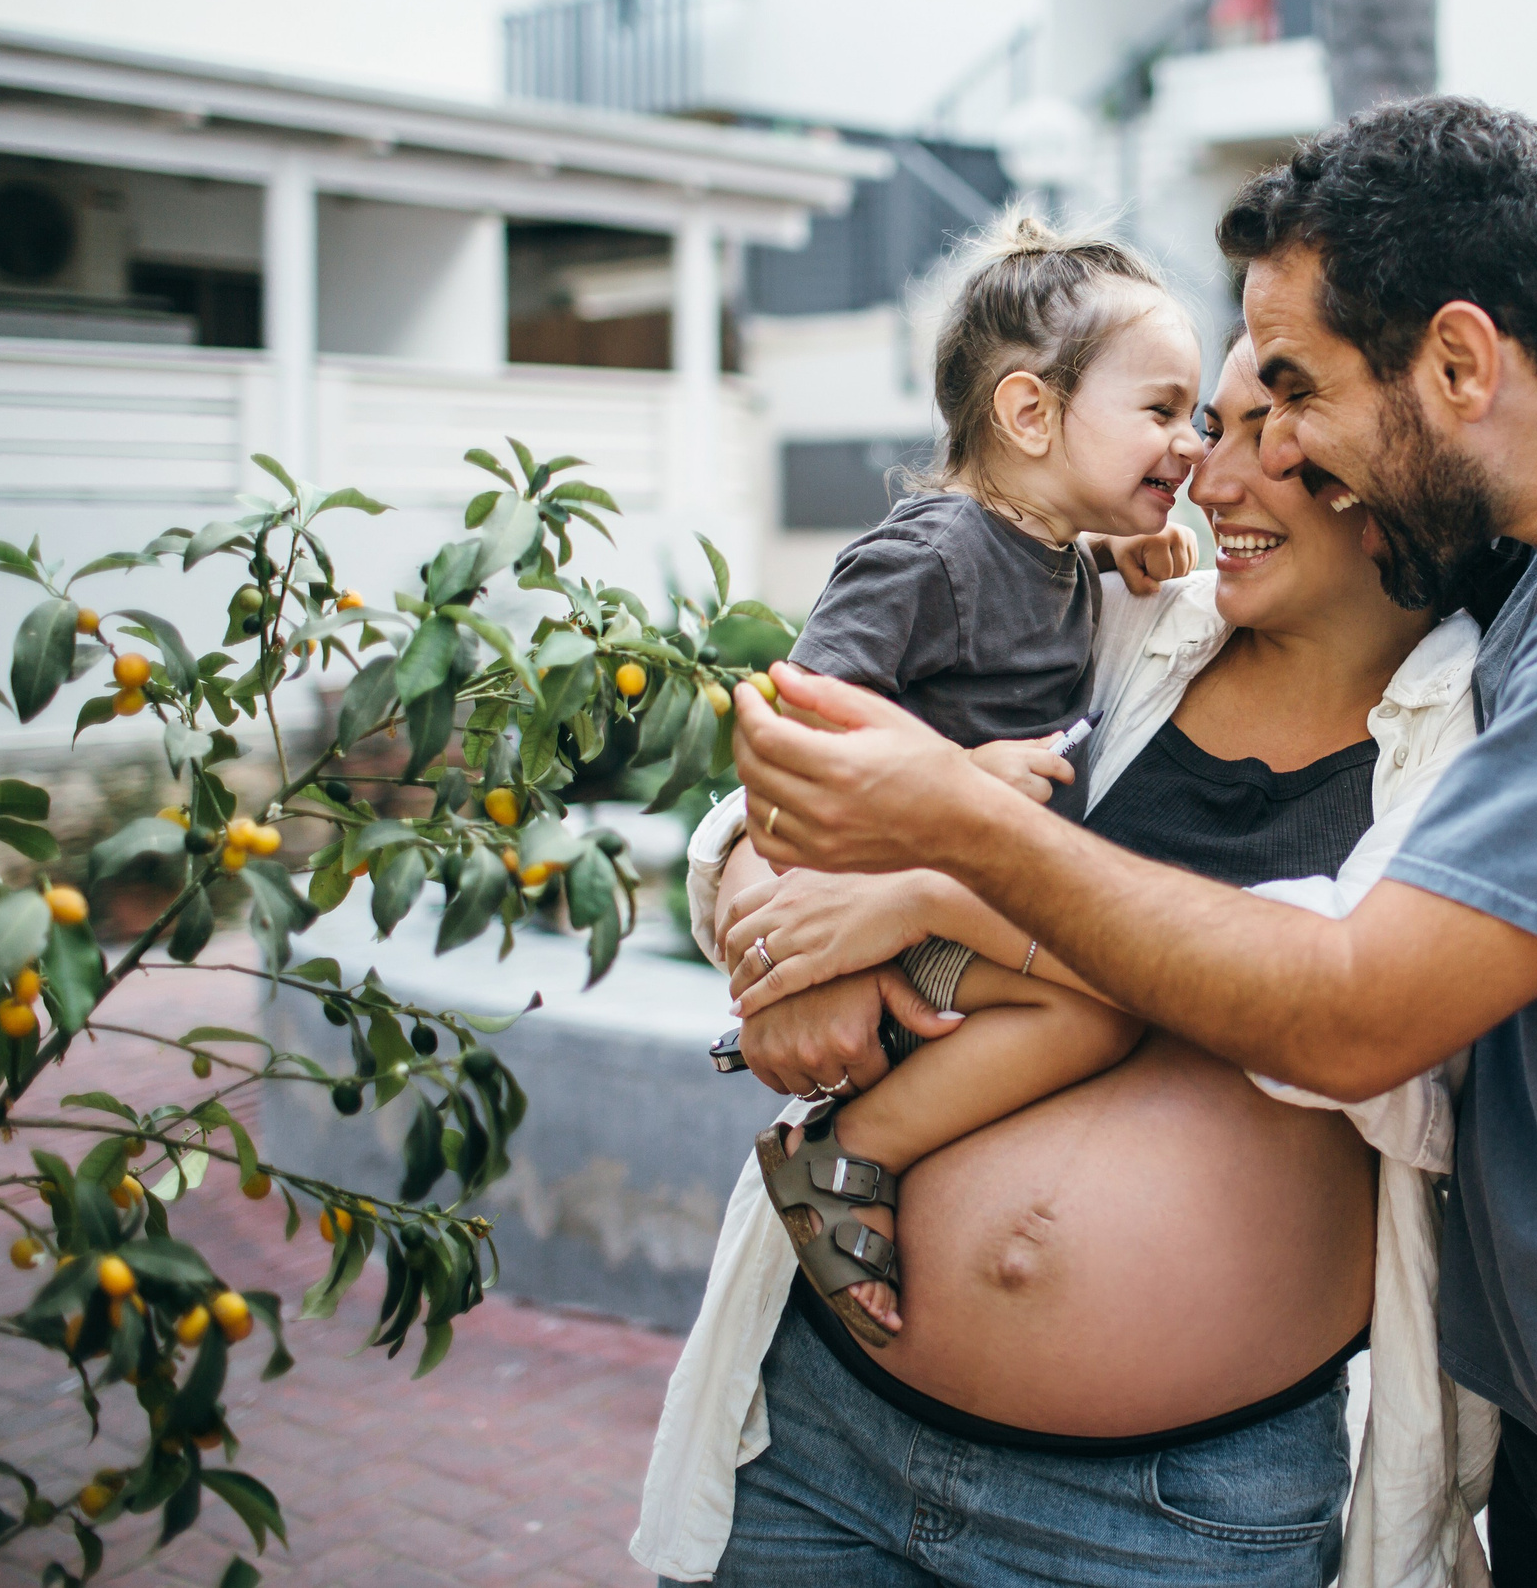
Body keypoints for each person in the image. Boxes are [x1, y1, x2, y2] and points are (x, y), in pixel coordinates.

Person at [729, 96, 1537, 1586]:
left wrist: (948, 854)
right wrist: (794, 907)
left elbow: (1351, 1010)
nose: (1245, 460)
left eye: (1294, 396)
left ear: (1461, 361)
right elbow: (832, 752)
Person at [634, 337, 1490, 1587]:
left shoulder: (1478, 732)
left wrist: (936, 886)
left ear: (1397, 464)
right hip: (821, 1425)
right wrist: (790, 957)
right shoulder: (1119, 619)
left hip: (1168, 1514)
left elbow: (1338, 1008)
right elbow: (782, 794)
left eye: (1274, 437)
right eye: (1208, 424)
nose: (1209, 476)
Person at [749, 209, 1206, 1347]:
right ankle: (854, 1150)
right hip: (911, 914)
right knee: (1098, 1010)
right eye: (1161, 411)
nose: (1192, 443)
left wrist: (1114, 549)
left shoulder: (1054, 551)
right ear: (1028, 411)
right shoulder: (928, 553)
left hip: (970, 903)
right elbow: (790, 732)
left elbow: (1042, 576)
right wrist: (954, 777)